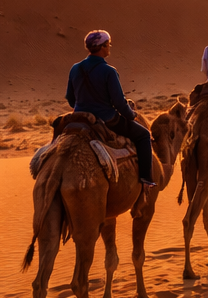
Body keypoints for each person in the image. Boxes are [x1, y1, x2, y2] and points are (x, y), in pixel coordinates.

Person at [66, 30, 155, 186]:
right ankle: (146, 178)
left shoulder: (75, 68)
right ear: (103, 47)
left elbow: (70, 98)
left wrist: (83, 108)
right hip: (106, 119)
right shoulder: (109, 71)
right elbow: (119, 103)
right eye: (108, 45)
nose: (109, 48)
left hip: (80, 117)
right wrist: (131, 115)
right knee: (143, 135)